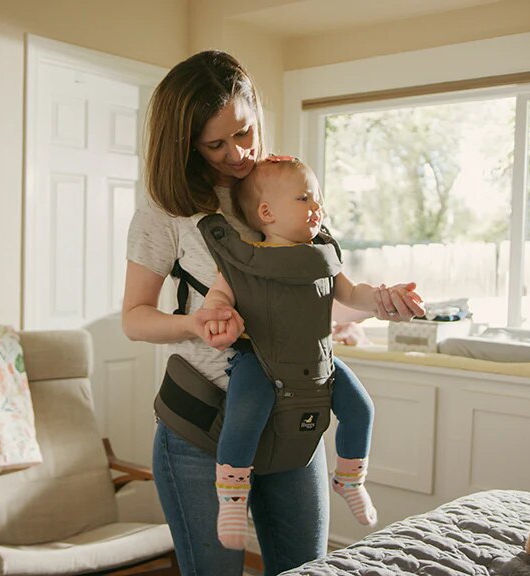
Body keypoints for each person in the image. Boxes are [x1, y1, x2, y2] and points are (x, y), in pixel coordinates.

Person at [122, 50, 422, 576]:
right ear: (185, 142)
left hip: (292, 424)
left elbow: (322, 287)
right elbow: (134, 316)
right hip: (202, 428)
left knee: (308, 569)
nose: (237, 153)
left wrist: (382, 302)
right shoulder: (165, 205)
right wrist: (194, 322)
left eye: (244, 132)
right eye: (215, 144)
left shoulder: (283, 185)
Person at [200, 157, 424, 549]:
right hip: (262, 359)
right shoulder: (244, 260)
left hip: (319, 360)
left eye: (318, 198)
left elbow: (354, 295)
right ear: (266, 212)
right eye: (304, 197)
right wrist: (218, 312)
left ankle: (350, 480)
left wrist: (384, 297)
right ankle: (232, 498)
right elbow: (219, 294)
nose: (316, 207)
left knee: (361, 409)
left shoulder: (323, 258)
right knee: (245, 412)